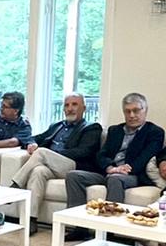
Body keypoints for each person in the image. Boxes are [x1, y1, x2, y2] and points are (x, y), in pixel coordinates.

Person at [61, 92, 166, 218]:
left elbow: (144, 158)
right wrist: (110, 168)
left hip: (133, 175)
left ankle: (110, 225)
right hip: (108, 172)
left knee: (115, 179)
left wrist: (123, 170)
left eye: (136, 111)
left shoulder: (154, 132)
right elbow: (101, 155)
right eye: (127, 111)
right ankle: (77, 222)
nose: (132, 115)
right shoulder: (115, 130)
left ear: (145, 110)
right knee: (73, 176)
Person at [8, 94, 102, 231]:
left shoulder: (91, 127)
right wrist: (32, 143)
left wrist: (52, 154)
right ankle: (31, 220)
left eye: (74, 104)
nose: (70, 108)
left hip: (74, 166)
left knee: (42, 152)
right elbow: (35, 138)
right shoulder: (57, 126)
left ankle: (15, 187)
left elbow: (84, 152)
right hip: (53, 165)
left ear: (84, 108)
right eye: (67, 105)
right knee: (38, 171)